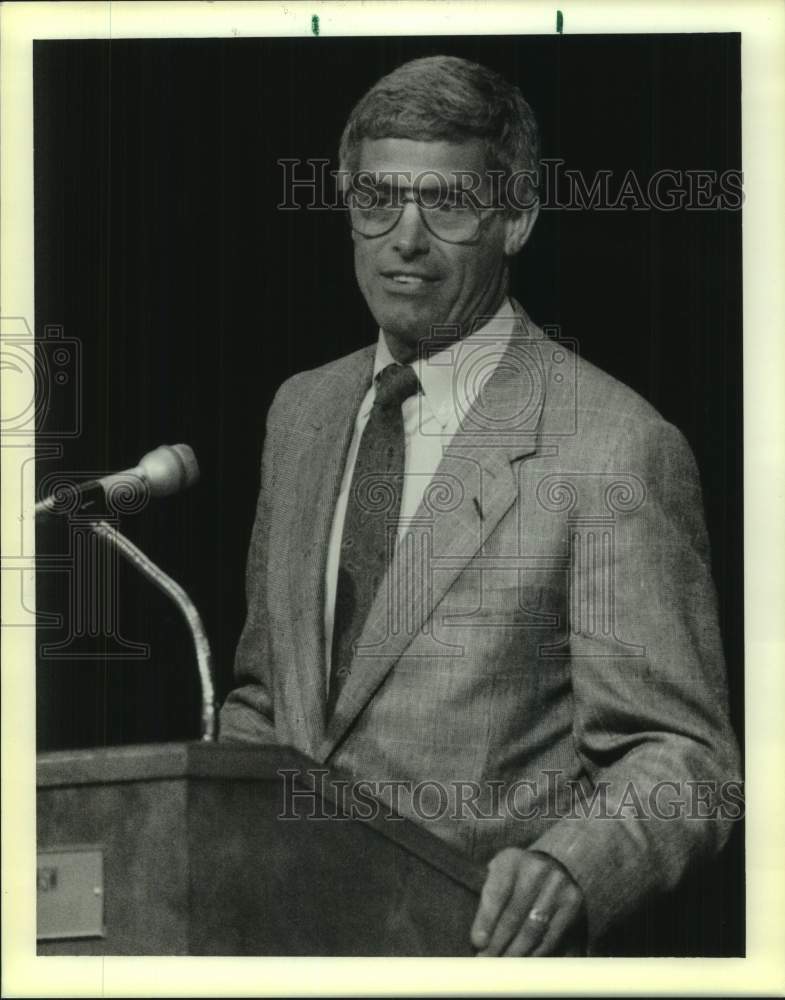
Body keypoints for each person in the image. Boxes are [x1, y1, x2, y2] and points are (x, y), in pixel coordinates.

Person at [220, 55, 741, 956]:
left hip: (467, 953)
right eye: (378, 198)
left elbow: (686, 764)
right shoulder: (299, 413)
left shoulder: (614, 445)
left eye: (447, 204)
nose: (403, 239)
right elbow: (268, 701)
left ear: (516, 218)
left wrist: (572, 867)